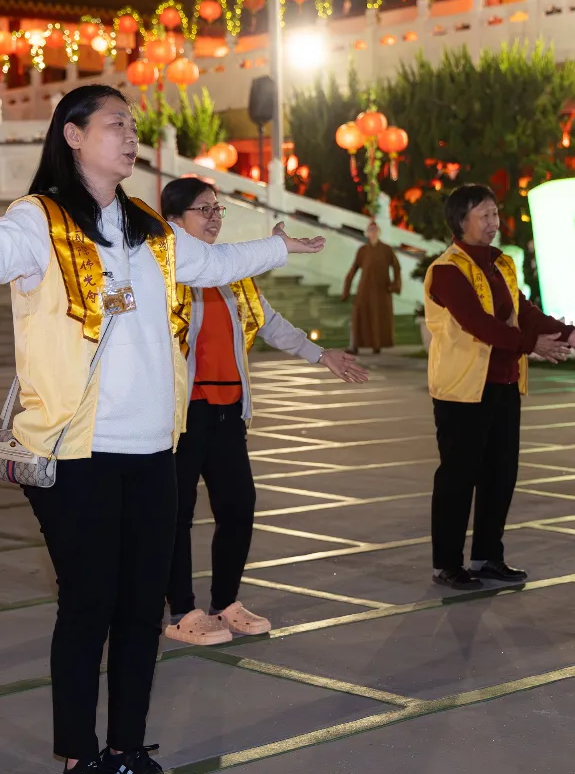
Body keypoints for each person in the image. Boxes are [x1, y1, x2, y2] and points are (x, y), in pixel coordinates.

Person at [0, 85, 325, 774]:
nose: (131, 133)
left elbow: (215, 264)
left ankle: (128, 748)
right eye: (116, 122)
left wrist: (273, 247)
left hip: (153, 453)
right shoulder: (39, 221)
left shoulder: (150, 228)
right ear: (74, 136)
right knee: (89, 605)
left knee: (142, 609)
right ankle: (79, 755)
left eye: (134, 124)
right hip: (75, 452)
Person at [159, 178, 369, 645]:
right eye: (202, 209)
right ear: (173, 220)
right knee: (177, 515)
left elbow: (270, 323)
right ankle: (182, 612)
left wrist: (322, 355)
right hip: (180, 416)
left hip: (228, 411)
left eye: (218, 209)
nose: (214, 217)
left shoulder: (233, 270)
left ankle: (225, 603)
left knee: (238, 507)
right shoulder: (164, 270)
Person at [424, 184, 575, 590]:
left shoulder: (500, 264)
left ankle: (487, 556)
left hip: (503, 383)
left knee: (500, 475)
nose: (493, 223)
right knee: (458, 477)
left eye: (495, 214)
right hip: (462, 389)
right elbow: (477, 324)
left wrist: (567, 334)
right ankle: (447, 563)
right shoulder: (448, 270)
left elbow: (524, 312)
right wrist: (531, 345)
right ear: (460, 221)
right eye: (483, 215)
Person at [342, 220, 401, 354]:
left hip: (381, 290)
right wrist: (346, 289)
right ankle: (354, 345)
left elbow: (396, 267)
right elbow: (353, 270)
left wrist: (394, 285)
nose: (373, 233)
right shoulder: (363, 250)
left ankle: (377, 345)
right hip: (365, 289)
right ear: (367, 233)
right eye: (370, 230)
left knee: (377, 317)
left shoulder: (386, 249)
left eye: (375, 230)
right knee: (359, 315)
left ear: (378, 232)